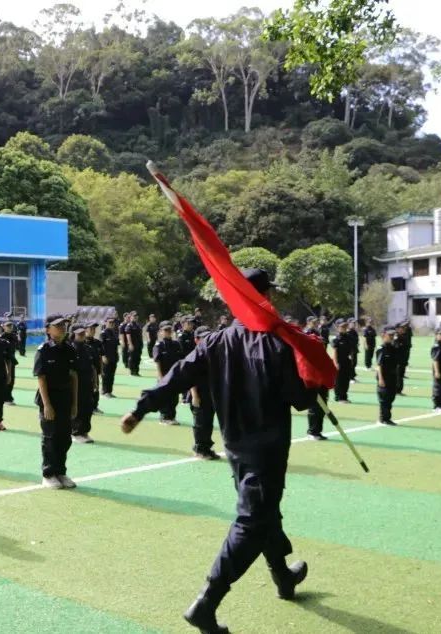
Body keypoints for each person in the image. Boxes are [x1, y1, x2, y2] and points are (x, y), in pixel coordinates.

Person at [120, 269, 313, 633]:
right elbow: (300, 399)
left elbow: (178, 374)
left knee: (264, 511)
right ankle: (206, 603)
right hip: (268, 448)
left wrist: (142, 407)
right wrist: (316, 383)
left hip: (236, 445)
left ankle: (282, 576)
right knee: (253, 520)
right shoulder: (277, 343)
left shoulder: (217, 341)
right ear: (263, 297)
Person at [34, 314, 78, 489]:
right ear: (48, 329)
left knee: (65, 437)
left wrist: (75, 403)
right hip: (49, 400)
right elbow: (41, 378)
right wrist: (47, 405)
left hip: (65, 399)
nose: (62, 328)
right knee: (50, 438)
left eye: (63, 325)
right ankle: (48, 474)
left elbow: (74, 377)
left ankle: (61, 472)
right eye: (57, 325)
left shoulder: (69, 349)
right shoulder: (43, 350)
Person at [189, 325, 224, 456]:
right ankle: (200, 449)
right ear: (196, 340)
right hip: (199, 394)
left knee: (208, 422)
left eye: (209, 337)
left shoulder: (213, 354)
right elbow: (191, 377)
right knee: (201, 423)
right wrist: (194, 396)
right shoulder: (194, 355)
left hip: (211, 392)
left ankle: (207, 448)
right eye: (203, 338)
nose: (207, 340)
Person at [152, 321, 183, 424]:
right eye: (166, 330)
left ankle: (172, 417)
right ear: (161, 332)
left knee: (174, 398)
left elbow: (180, 360)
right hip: (164, 375)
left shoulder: (176, 344)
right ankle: (164, 417)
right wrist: (160, 376)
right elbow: (157, 361)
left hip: (174, 375)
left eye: (170, 330)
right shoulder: (159, 345)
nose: (169, 332)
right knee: (165, 397)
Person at [70, 325, 97, 444]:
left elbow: (93, 367)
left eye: (83, 333)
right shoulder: (70, 349)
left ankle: (85, 431)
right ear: (73, 334)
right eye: (79, 333)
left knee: (88, 407)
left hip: (87, 383)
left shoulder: (88, 348)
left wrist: (95, 382)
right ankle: (76, 432)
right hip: (76, 384)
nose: (82, 335)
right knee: (78, 407)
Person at [376, 327, 398, 426]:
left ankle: (387, 418)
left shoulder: (393, 348)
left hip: (392, 376)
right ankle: (382, 419)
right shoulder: (381, 349)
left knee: (391, 397)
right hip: (384, 377)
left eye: (393, 335)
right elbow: (379, 365)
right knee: (384, 399)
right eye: (390, 335)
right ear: (383, 335)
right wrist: (380, 378)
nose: (392, 337)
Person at [331, 319, 352, 403]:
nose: (344, 328)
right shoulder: (336, 339)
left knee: (346, 379)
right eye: (342, 327)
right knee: (339, 380)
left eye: (345, 326)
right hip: (339, 361)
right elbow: (335, 352)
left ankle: (344, 396)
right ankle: (338, 397)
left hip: (347, 361)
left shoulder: (348, 337)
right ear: (337, 327)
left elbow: (351, 350)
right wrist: (336, 363)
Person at [85, 322, 104, 414]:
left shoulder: (98, 343)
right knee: (86, 391)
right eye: (91, 329)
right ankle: (88, 408)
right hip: (85, 372)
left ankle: (95, 407)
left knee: (96, 389)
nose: (93, 331)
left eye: (94, 329)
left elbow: (100, 357)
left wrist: (101, 370)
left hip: (95, 371)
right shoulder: (82, 343)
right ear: (85, 330)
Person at [100, 316, 120, 398]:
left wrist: (117, 355)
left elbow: (116, 345)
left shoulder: (114, 333)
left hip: (113, 357)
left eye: (113, 322)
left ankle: (109, 391)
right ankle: (105, 391)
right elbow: (101, 346)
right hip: (106, 358)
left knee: (112, 375)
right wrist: (103, 356)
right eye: (110, 322)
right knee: (106, 375)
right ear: (106, 323)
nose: (111, 324)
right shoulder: (103, 333)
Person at [1, 321, 20, 405]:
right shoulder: (1, 337)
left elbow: (16, 347)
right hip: (3, 360)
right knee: (5, 379)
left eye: (11, 326)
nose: (9, 328)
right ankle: (5, 398)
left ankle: (8, 396)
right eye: (8, 326)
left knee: (11, 379)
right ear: (4, 327)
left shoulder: (14, 336)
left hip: (11, 359)